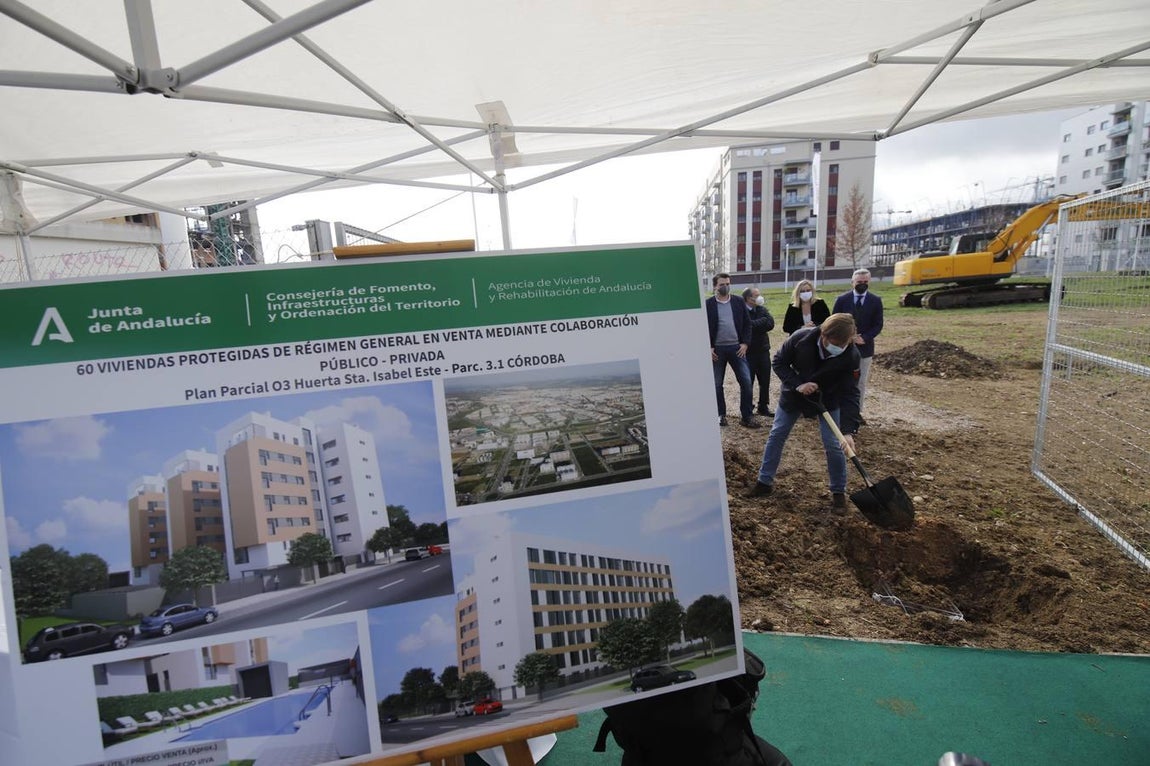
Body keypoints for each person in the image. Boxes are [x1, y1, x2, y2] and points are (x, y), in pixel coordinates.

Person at [747, 313, 861, 514]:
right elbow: (779, 362)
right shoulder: (801, 338)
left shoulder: (851, 355)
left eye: (843, 345)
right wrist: (798, 384)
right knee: (777, 434)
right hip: (794, 396)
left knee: (835, 445)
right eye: (834, 343)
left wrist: (848, 430)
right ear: (823, 335)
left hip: (828, 399)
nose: (838, 348)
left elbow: (851, 392)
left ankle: (838, 493)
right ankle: (764, 482)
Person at [706, 273, 759, 428]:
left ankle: (747, 416)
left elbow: (747, 324)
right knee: (717, 384)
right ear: (715, 286)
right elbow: (703, 327)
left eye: (728, 283)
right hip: (717, 350)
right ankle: (720, 415)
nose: (726, 287)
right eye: (722, 284)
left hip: (737, 348)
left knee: (746, 382)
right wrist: (709, 347)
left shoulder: (738, 302)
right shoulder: (708, 304)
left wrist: (745, 344)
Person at [832, 268, 883, 416]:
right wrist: (847, 337)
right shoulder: (842, 300)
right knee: (839, 380)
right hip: (842, 347)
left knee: (859, 383)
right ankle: (838, 410)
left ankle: (855, 413)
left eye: (865, 282)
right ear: (852, 282)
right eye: (859, 282)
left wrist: (864, 337)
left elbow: (878, 324)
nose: (862, 284)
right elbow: (834, 321)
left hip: (864, 349)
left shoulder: (875, 301)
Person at [742, 286, 776, 417]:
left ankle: (763, 406)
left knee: (765, 380)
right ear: (748, 298)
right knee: (747, 382)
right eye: (756, 295)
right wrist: (760, 323)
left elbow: (770, 323)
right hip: (748, 352)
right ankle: (747, 407)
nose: (759, 298)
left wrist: (753, 324)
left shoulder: (761, 309)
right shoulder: (742, 311)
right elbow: (745, 326)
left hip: (763, 350)